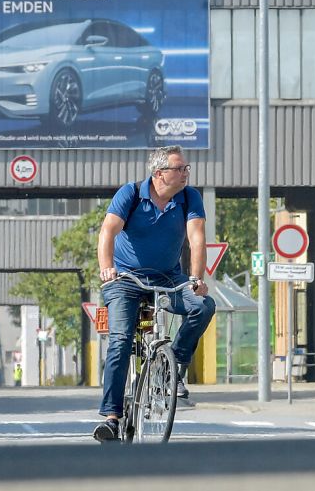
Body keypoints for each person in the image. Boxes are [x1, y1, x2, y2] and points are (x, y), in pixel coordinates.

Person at [92, 145, 216, 442]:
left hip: (169, 277)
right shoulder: (131, 194)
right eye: (180, 168)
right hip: (126, 279)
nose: (186, 173)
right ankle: (111, 417)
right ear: (160, 174)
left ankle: (174, 369)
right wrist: (107, 268)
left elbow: (197, 238)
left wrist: (196, 278)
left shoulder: (189, 197)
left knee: (203, 305)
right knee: (121, 340)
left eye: (187, 168)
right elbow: (107, 232)